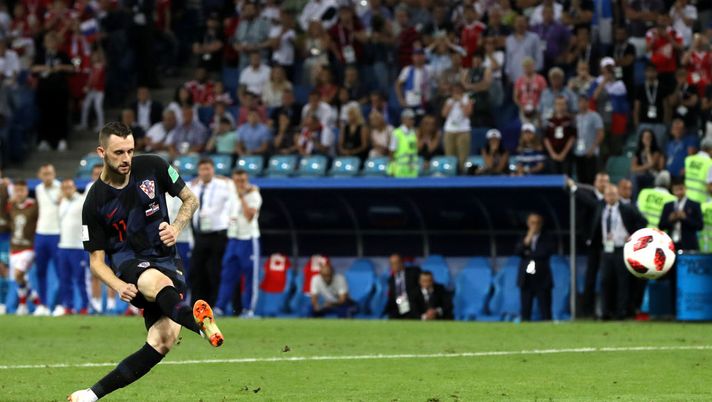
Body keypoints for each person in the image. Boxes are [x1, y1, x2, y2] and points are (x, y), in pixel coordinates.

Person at [69, 122, 223, 402]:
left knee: (162, 341)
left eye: (130, 151)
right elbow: (96, 262)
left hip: (167, 257)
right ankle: (200, 324)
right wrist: (118, 285)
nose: (126, 158)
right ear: (102, 153)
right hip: (129, 262)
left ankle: (90, 395)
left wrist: (176, 227)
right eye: (118, 152)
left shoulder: (154, 166)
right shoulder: (94, 201)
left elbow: (190, 200)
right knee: (157, 281)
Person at [591, 184, 647, 320]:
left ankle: (621, 312)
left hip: (622, 248)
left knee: (622, 281)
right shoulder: (600, 208)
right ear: (604, 196)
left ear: (618, 195)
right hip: (606, 249)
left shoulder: (627, 209)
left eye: (613, 194)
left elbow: (643, 221)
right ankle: (606, 312)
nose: (610, 197)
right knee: (605, 281)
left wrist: (633, 236)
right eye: (608, 194)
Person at [215, 170, 262, 317]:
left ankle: (249, 309)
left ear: (247, 180)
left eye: (242, 180)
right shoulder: (231, 190)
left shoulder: (253, 194)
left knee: (250, 276)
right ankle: (220, 308)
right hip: (233, 239)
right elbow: (220, 178)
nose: (240, 183)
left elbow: (249, 216)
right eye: (237, 180)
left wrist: (242, 197)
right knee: (227, 275)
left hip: (249, 239)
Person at [187, 159, 233, 308]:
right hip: (199, 235)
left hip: (217, 234)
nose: (205, 172)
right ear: (198, 171)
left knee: (214, 271)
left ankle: (215, 305)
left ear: (213, 170)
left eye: (208, 169)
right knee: (196, 271)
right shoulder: (193, 186)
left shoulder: (223, 185)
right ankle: (197, 306)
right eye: (202, 169)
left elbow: (234, 192)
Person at [55, 179, 89, 316]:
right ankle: (68, 307)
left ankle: (84, 307)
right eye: (64, 188)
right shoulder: (62, 202)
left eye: (69, 187)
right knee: (65, 279)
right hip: (63, 246)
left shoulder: (82, 200)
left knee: (80, 279)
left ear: (74, 188)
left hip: (78, 247)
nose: (67, 190)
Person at [8, 180, 39, 315]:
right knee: (19, 278)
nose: (19, 193)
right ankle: (31, 302)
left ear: (26, 191)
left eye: (22, 190)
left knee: (18, 274)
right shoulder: (11, 206)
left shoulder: (34, 205)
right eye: (17, 190)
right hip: (14, 247)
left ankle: (28, 303)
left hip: (28, 248)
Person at [515, 212, 554, 321]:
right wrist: (527, 240)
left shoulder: (547, 237)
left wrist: (527, 253)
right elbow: (518, 251)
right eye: (532, 223)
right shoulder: (523, 236)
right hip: (526, 278)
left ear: (541, 224)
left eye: (537, 223)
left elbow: (544, 253)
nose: (534, 225)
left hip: (542, 278)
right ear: (528, 223)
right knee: (525, 310)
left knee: (545, 311)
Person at [33, 164, 60, 316]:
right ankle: (42, 305)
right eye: (44, 174)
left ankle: (59, 305)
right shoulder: (38, 189)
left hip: (57, 234)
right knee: (40, 271)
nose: (47, 176)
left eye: (49, 173)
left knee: (60, 272)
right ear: (39, 175)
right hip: (41, 234)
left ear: (54, 174)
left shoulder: (61, 188)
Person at [660, 178, 704, 251]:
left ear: (685, 188)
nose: (679, 192)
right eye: (676, 190)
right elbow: (661, 226)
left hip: (689, 245)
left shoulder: (695, 205)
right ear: (672, 190)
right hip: (671, 245)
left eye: (681, 189)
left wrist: (685, 218)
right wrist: (670, 220)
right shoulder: (668, 206)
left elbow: (700, 226)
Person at [574, 95, 604, 185]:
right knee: (581, 178)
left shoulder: (594, 116)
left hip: (591, 152)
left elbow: (600, 133)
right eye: (580, 102)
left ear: (588, 103)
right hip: (579, 152)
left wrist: (593, 148)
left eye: (584, 102)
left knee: (591, 178)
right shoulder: (576, 117)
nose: (582, 104)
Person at [442, 83, 472, 172]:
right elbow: (444, 114)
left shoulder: (467, 100)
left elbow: (467, 113)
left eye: (458, 90)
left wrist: (461, 102)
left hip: (463, 131)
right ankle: (450, 172)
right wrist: (451, 103)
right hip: (450, 130)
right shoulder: (449, 101)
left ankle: (463, 172)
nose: (456, 92)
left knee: (463, 156)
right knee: (450, 155)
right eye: (454, 91)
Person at [543, 96, 576, 175]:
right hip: (552, 155)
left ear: (566, 105)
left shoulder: (570, 120)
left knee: (566, 177)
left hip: (566, 155)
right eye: (558, 104)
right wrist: (552, 154)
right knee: (553, 177)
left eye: (562, 104)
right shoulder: (549, 121)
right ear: (554, 105)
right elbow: (546, 138)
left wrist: (563, 154)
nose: (560, 106)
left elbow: (572, 138)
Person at [385, 253, 421, 319]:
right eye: (391, 264)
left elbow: (420, 288)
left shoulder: (414, 272)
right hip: (398, 306)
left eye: (396, 263)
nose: (393, 266)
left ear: (402, 263)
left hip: (413, 304)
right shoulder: (391, 280)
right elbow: (392, 297)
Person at [631, 129, 664, 197]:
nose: (647, 139)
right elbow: (633, 168)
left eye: (649, 137)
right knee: (633, 177)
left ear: (652, 139)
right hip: (642, 175)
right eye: (645, 137)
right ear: (642, 139)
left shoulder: (656, 151)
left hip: (653, 175)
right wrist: (645, 167)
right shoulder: (638, 152)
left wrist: (648, 152)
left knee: (636, 177)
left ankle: (636, 199)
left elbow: (651, 164)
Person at [388, 109, 418, 178]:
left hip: (412, 168)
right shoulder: (396, 133)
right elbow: (391, 151)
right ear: (403, 119)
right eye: (410, 119)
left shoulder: (414, 132)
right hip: (400, 169)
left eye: (413, 119)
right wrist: (392, 168)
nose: (412, 121)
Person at [683, 137, 712, 204]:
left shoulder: (689, 159)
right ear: (711, 150)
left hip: (687, 199)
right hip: (702, 201)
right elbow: (710, 187)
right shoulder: (710, 163)